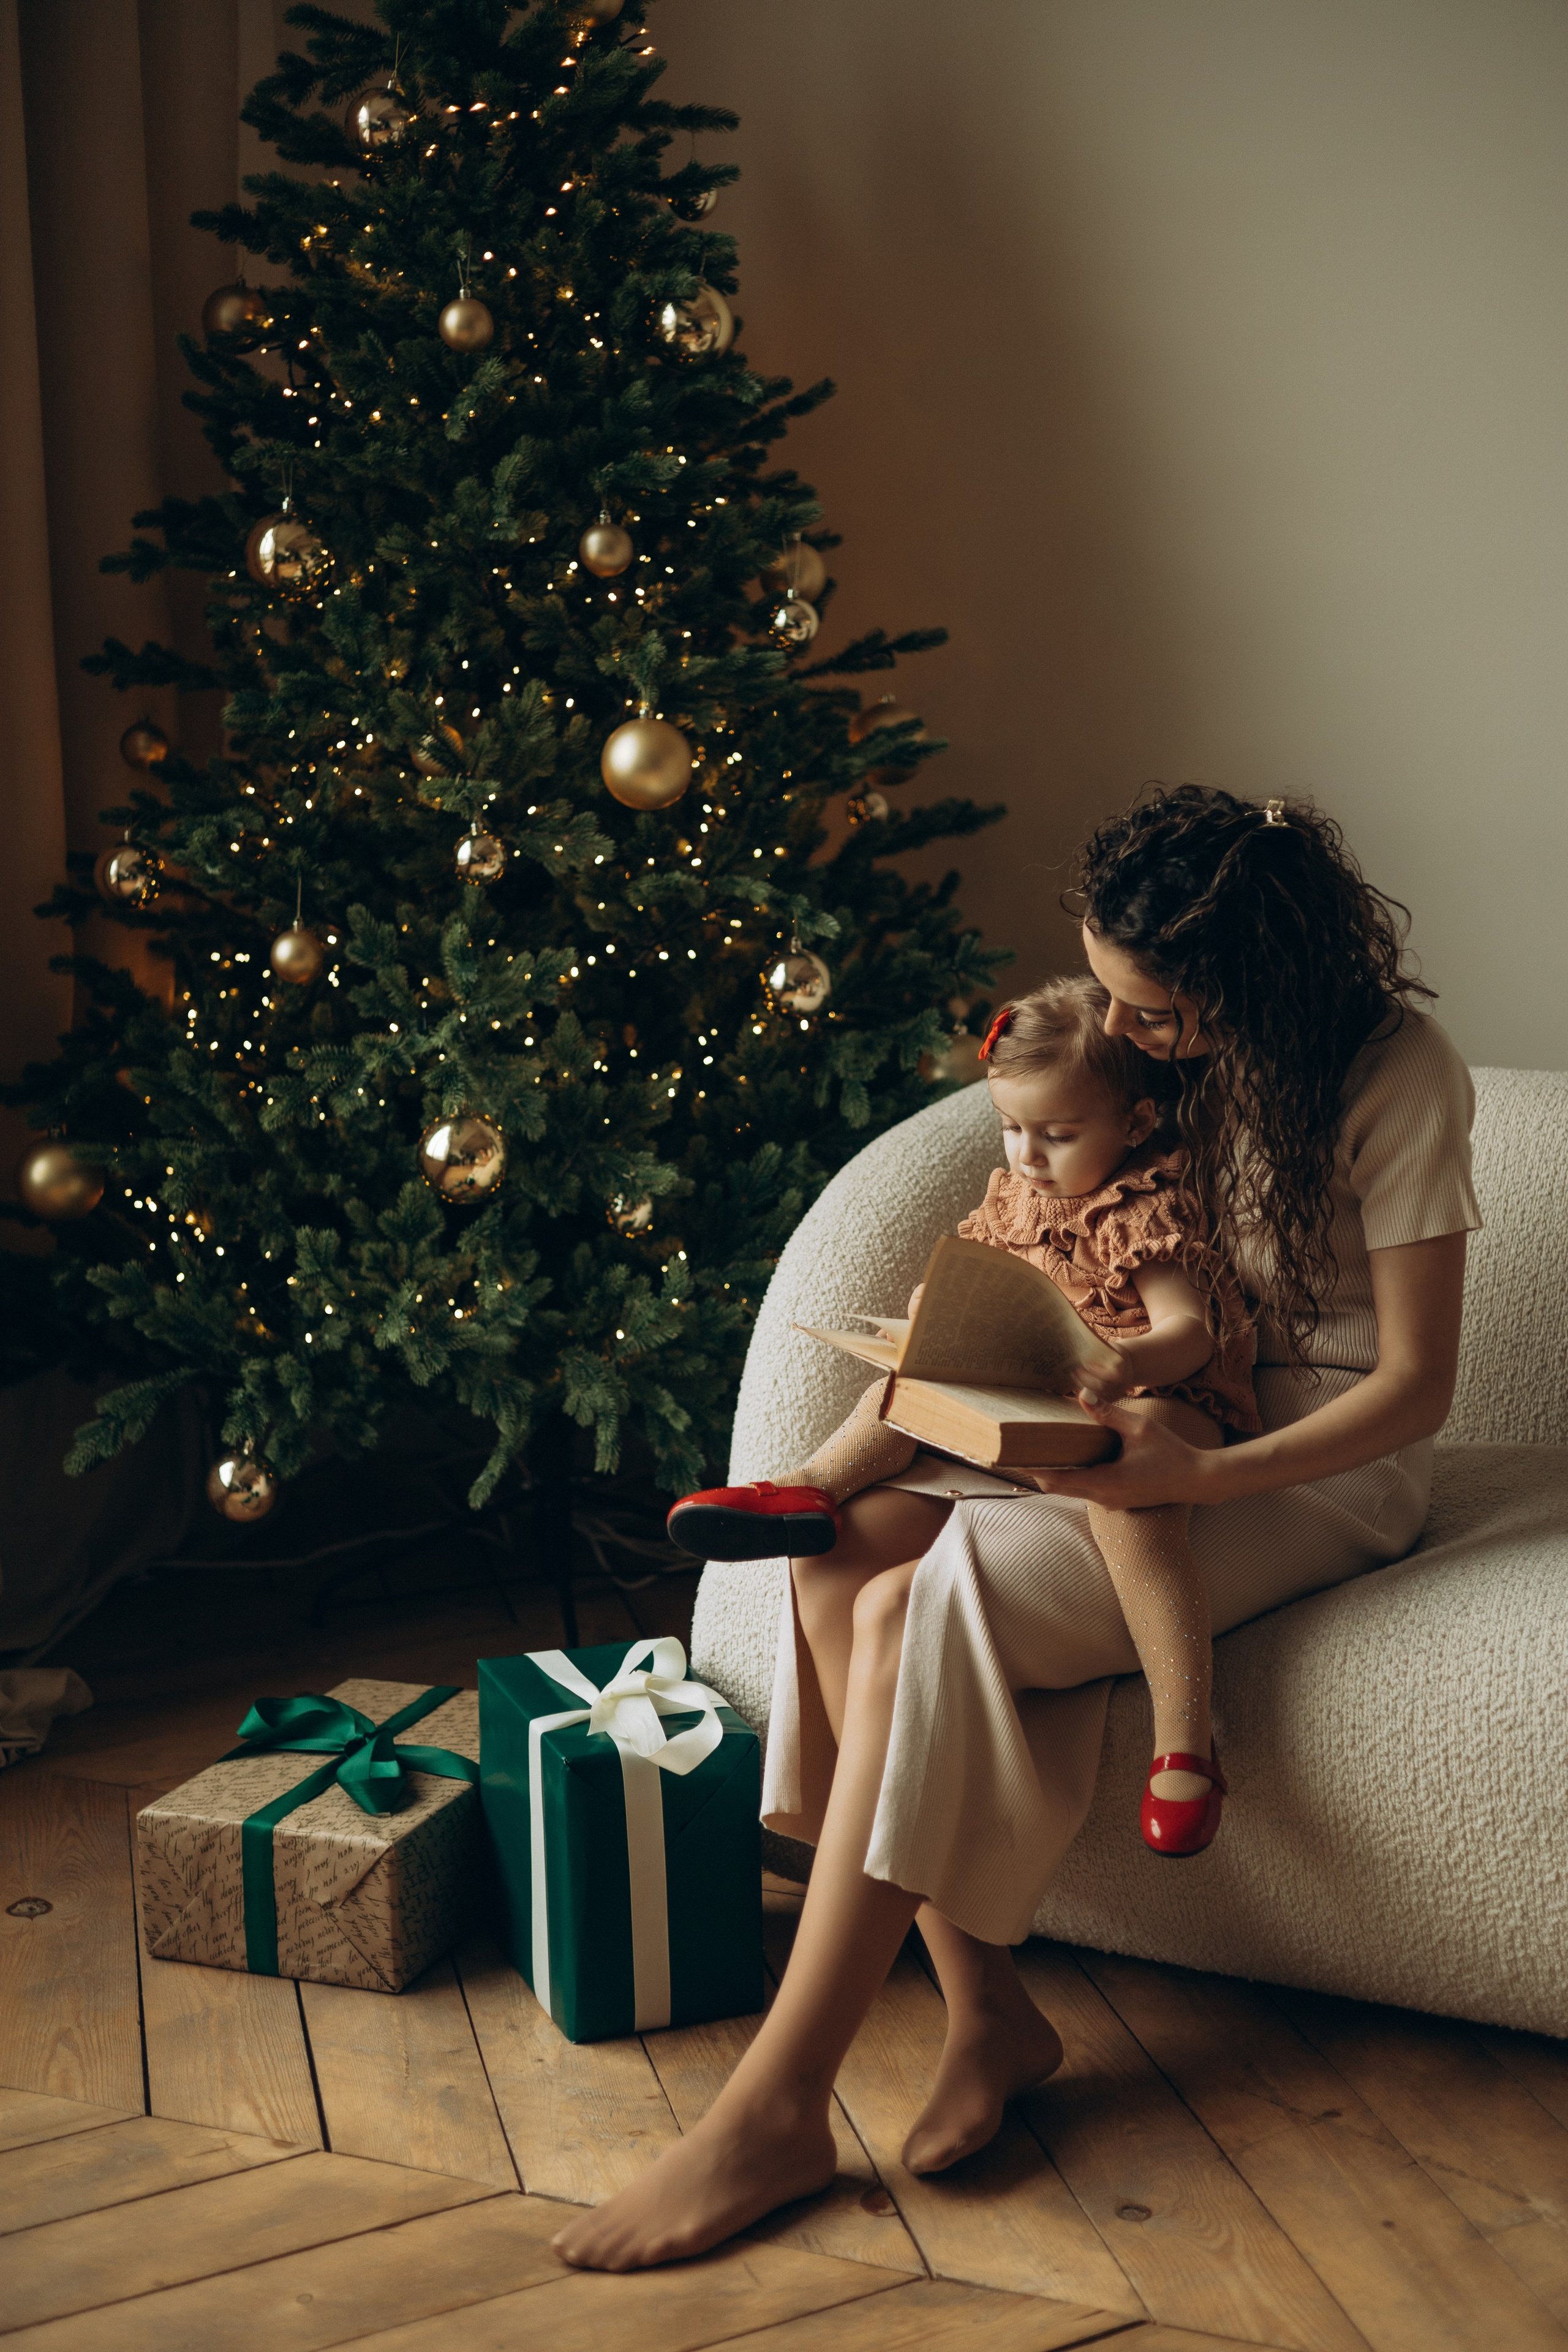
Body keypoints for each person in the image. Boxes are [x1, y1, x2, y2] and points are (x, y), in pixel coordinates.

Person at [554, 785, 1479, 2273]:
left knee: (928, 1601)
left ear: (1256, 984)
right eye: (1110, 998)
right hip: (1110, 1399)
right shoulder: (1149, 1052)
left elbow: (1411, 1390)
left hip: (1298, 1458)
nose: (1128, 1037)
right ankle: (986, 2009)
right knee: (846, 1555)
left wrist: (1195, 1481)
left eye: (1156, 1014)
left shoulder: (1396, 1073)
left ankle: (778, 2102)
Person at [670, 974, 1263, 1857]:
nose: (1028, 1154)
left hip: (1158, 1409)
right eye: (1012, 1128)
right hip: (1036, 1403)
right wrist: (941, 1319)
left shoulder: (1144, 1204)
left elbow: (1189, 1329)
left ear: (1134, 1124)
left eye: (1057, 1136)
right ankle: (807, 1490)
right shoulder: (1016, 1194)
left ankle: (1185, 1742)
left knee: (1134, 1516)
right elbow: (979, 1275)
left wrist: (1128, 1361)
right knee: (896, 1398)